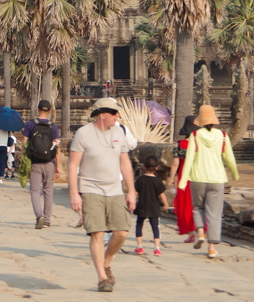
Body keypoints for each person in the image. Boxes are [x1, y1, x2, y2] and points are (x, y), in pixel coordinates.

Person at [68, 98, 136, 293]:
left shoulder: (118, 132)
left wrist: (130, 191)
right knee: (97, 233)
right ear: (102, 114)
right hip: (90, 188)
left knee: (121, 231)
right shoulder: (84, 134)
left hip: (115, 188)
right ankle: (102, 277)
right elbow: (73, 165)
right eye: (115, 113)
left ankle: (106, 261)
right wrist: (75, 193)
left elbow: (125, 163)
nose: (118, 117)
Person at [178, 105, 239, 259]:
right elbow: (229, 158)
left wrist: (183, 180)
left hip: (198, 177)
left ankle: (200, 233)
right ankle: (211, 248)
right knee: (214, 213)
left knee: (197, 207)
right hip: (217, 178)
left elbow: (189, 159)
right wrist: (234, 173)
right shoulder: (223, 136)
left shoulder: (195, 135)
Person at [24, 100, 61, 228]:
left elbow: (25, 144)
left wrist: (25, 161)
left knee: (34, 191)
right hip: (49, 162)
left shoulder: (30, 124)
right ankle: (47, 219)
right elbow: (57, 147)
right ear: (50, 111)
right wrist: (58, 166)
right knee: (48, 191)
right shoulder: (53, 126)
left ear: (37, 109)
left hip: (35, 162)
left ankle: (39, 215)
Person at [169, 115, 199, 242]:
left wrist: (171, 178)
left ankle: (191, 232)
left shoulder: (180, 144)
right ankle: (203, 230)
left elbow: (176, 163)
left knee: (186, 204)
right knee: (199, 203)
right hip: (198, 174)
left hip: (184, 176)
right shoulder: (200, 144)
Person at [134, 155, 169, 256]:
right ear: (157, 168)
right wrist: (166, 204)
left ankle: (140, 247)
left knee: (139, 225)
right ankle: (157, 248)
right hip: (154, 207)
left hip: (142, 206)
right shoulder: (157, 181)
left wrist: (130, 202)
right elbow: (161, 195)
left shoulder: (140, 180)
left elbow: (136, 193)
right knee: (155, 227)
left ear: (144, 166)